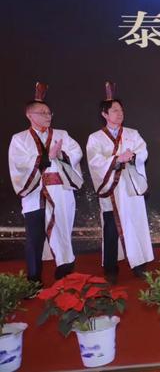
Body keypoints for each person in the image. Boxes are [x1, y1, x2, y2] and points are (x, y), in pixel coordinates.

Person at [8, 82, 83, 284]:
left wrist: (61, 154)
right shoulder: (19, 139)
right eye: (42, 113)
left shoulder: (62, 134)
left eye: (49, 113)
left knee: (63, 231)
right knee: (34, 238)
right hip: (35, 194)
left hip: (60, 192)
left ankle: (65, 271)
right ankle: (34, 279)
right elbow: (19, 163)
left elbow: (76, 152)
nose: (47, 116)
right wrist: (46, 157)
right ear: (29, 115)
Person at [86, 82, 154, 283]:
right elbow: (95, 161)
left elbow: (143, 151)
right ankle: (111, 268)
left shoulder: (132, 133)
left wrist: (132, 157)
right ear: (104, 114)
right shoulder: (95, 138)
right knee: (111, 228)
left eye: (121, 110)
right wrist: (117, 160)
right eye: (115, 110)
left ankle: (139, 265)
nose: (119, 113)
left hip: (130, 187)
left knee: (136, 223)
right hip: (111, 189)